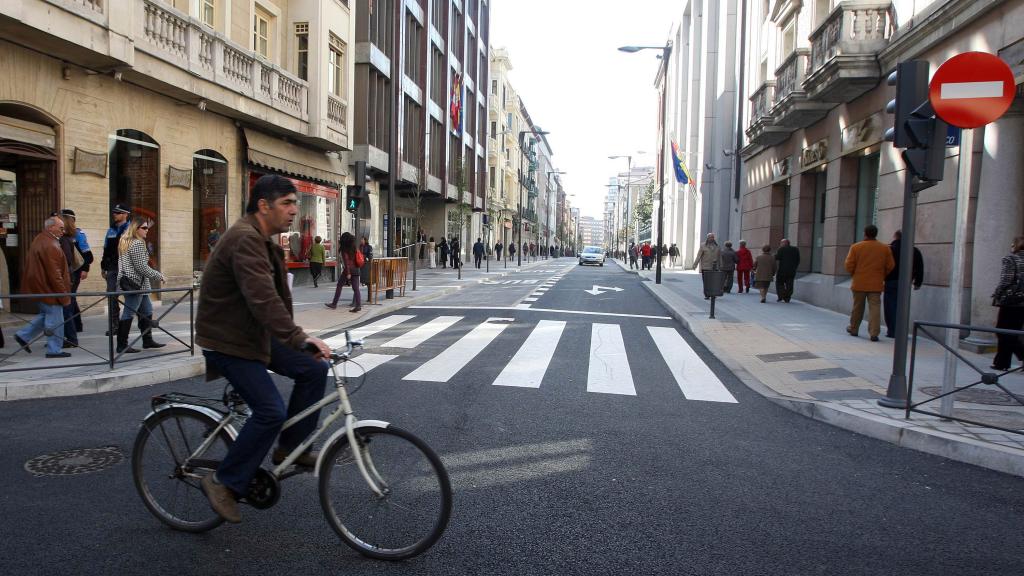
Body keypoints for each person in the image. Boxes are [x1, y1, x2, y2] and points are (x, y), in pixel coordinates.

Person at [196, 174, 331, 524]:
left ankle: (292, 447)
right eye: (286, 203)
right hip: (229, 341)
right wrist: (299, 337)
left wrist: (297, 344)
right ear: (263, 205)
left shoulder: (262, 238)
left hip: (253, 334)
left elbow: (272, 301)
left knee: (313, 369)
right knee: (269, 411)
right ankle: (223, 481)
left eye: (294, 204)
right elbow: (262, 298)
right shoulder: (244, 239)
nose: (293, 211)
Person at [14, 216, 72, 358]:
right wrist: (63, 295)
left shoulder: (41, 239)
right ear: (50, 227)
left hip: (42, 287)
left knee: (46, 315)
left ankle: (23, 335)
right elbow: (55, 274)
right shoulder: (50, 244)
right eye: (60, 228)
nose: (63, 231)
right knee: (55, 320)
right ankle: (54, 349)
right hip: (49, 289)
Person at [117, 217, 166, 353]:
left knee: (147, 310)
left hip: (133, 282)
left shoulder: (124, 241)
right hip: (136, 284)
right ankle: (122, 345)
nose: (147, 230)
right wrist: (159, 276)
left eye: (147, 227)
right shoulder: (137, 243)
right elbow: (142, 267)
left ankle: (147, 340)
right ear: (136, 229)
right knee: (129, 313)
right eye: (144, 228)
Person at [844, 224, 895, 342]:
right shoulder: (884, 248)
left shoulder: (856, 247)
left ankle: (854, 328)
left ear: (865, 233)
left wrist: (854, 274)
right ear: (876, 234)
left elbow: (849, 265)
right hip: (876, 283)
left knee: (857, 307)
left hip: (859, 282)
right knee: (875, 308)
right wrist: (882, 274)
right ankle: (874, 332)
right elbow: (890, 265)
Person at [990, 235, 1024, 370]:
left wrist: (997, 293)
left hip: (1011, 301)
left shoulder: (1010, 259)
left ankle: (1002, 363)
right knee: (1014, 332)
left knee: (1002, 331)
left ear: (1015, 245)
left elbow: (1006, 280)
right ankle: (1001, 362)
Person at [883, 230, 924, 338]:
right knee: (903, 307)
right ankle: (901, 331)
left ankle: (892, 331)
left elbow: (883, 265)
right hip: (906, 283)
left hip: (890, 281)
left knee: (890, 306)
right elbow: (919, 268)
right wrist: (918, 283)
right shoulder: (914, 251)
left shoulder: (889, 249)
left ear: (895, 237)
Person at [100, 203, 131, 335]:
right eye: (114, 212)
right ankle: (114, 326)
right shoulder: (111, 230)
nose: (115, 215)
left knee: (132, 297)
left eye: (118, 213)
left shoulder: (131, 229)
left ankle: (131, 325)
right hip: (112, 267)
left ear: (125, 214)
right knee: (112, 296)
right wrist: (103, 267)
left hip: (127, 268)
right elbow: (106, 249)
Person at [326, 232, 361, 311]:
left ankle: (334, 304)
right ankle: (358, 305)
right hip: (356, 269)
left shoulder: (344, 249)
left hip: (348, 270)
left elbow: (346, 262)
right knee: (356, 288)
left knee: (339, 285)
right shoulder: (354, 247)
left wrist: (348, 273)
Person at [692, 233, 723, 299]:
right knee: (706, 282)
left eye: (712, 237)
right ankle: (707, 294)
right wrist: (695, 265)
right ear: (707, 238)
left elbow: (720, 257)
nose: (711, 238)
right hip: (705, 266)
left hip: (715, 266)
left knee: (714, 281)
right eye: (710, 237)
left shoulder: (717, 246)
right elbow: (699, 256)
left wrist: (721, 265)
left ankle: (713, 294)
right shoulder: (703, 245)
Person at [774, 239, 800, 303]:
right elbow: (798, 259)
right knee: (790, 284)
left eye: (781, 243)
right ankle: (787, 297)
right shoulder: (795, 249)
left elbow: (777, 257)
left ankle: (781, 296)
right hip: (792, 270)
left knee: (779, 283)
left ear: (784, 243)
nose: (780, 244)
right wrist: (795, 267)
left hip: (782, 270)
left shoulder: (781, 249)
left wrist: (775, 254)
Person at [359, 236, 373, 302]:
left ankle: (370, 297)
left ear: (365, 240)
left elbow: (370, 256)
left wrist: (364, 257)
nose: (361, 241)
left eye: (362, 239)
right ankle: (368, 298)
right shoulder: (360, 247)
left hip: (367, 265)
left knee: (368, 282)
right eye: (361, 239)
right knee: (364, 281)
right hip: (361, 265)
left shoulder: (369, 247)